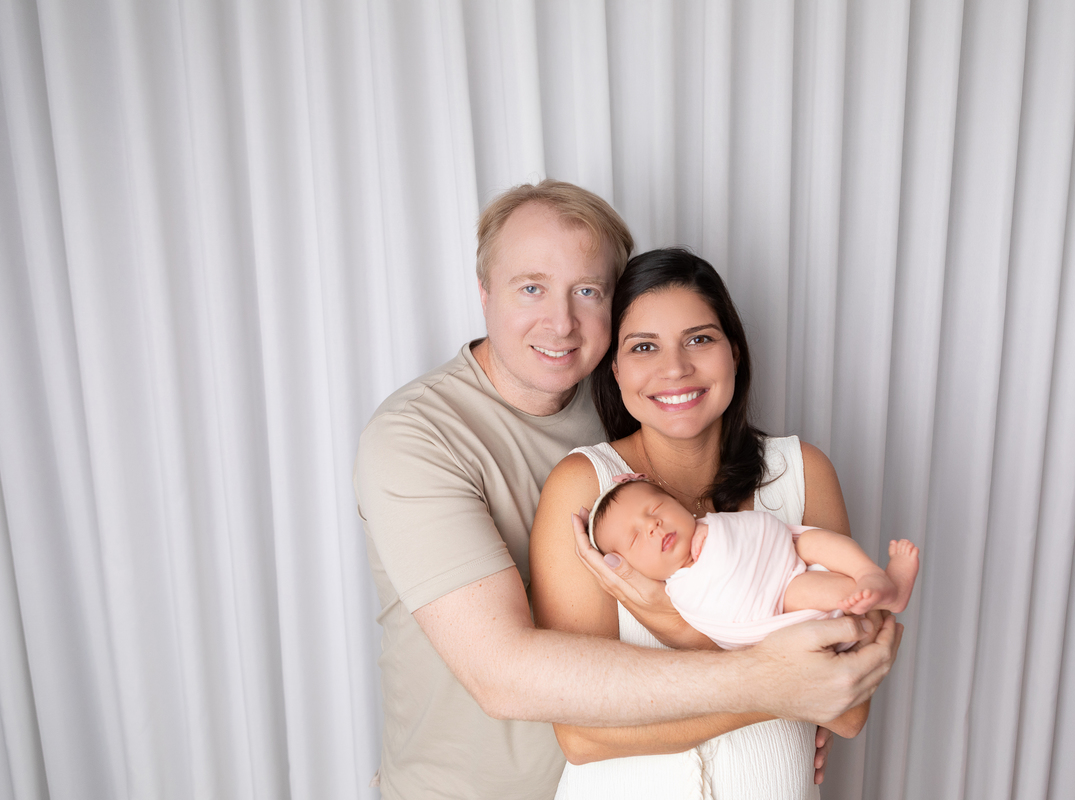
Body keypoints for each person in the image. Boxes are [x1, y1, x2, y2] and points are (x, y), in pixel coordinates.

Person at [355, 184, 902, 800]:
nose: (561, 322)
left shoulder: (640, 405)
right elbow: (509, 679)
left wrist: (813, 690)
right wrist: (786, 690)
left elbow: (846, 697)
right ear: (483, 291)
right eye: (531, 287)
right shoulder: (418, 439)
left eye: (587, 291)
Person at [529, 247, 893, 798]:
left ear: (735, 352)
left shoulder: (802, 473)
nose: (675, 368)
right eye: (643, 346)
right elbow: (581, 735)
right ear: (616, 369)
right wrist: (786, 690)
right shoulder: (584, 489)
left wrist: (678, 630)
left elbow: (848, 710)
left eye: (699, 339)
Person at [588, 475, 919, 649]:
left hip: (787, 550)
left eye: (655, 509)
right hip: (779, 595)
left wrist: (713, 535)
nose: (652, 525)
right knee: (814, 591)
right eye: (635, 538)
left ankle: (871, 574)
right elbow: (726, 618)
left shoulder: (711, 523)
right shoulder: (681, 590)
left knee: (815, 541)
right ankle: (884, 596)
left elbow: (759, 530)